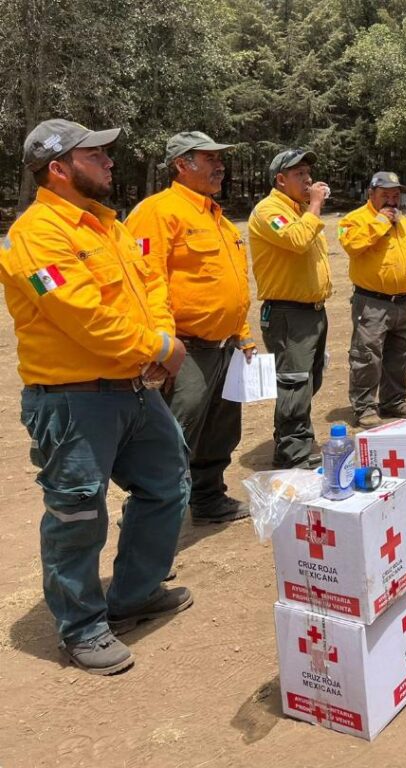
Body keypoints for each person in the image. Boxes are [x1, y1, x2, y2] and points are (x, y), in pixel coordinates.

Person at [1, 119, 193, 674]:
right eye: (97, 154)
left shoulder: (108, 225)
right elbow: (82, 317)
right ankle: (81, 627)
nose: (111, 161)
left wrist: (160, 341)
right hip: (73, 400)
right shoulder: (36, 235)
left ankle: (133, 594)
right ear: (58, 169)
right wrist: (157, 347)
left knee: (167, 485)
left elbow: (151, 285)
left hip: (133, 389)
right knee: (77, 512)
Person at [126, 131, 254, 525]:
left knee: (220, 431)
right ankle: (148, 530)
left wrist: (242, 332)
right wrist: (163, 346)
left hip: (225, 347)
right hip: (187, 349)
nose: (220, 166)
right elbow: (147, 282)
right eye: (209, 158)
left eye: (221, 159)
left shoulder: (214, 214)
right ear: (182, 164)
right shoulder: (158, 212)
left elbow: (230, 281)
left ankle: (209, 497)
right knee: (172, 439)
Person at [249, 148, 332, 467]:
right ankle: (291, 452)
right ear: (280, 180)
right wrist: (314, 205)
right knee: (295, 382)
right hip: (287, 313)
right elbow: (297, 241)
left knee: (309, 381)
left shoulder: (298, 210)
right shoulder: (270, 210)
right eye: (299, 174)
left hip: (312, 311)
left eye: (308, 172)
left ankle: (295, 437)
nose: (308, 179)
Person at [339, 171, 406, 428]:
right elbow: (352, 245)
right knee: (367, 355)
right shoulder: (354, 219)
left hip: (404, 301)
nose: (392, 200)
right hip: (372, 302)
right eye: (385, 195)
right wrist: (381, 222)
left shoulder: (405, 222)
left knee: (401, 353)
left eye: (396, 195)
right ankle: (364, 407)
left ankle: (394, 401)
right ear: (370, 194)